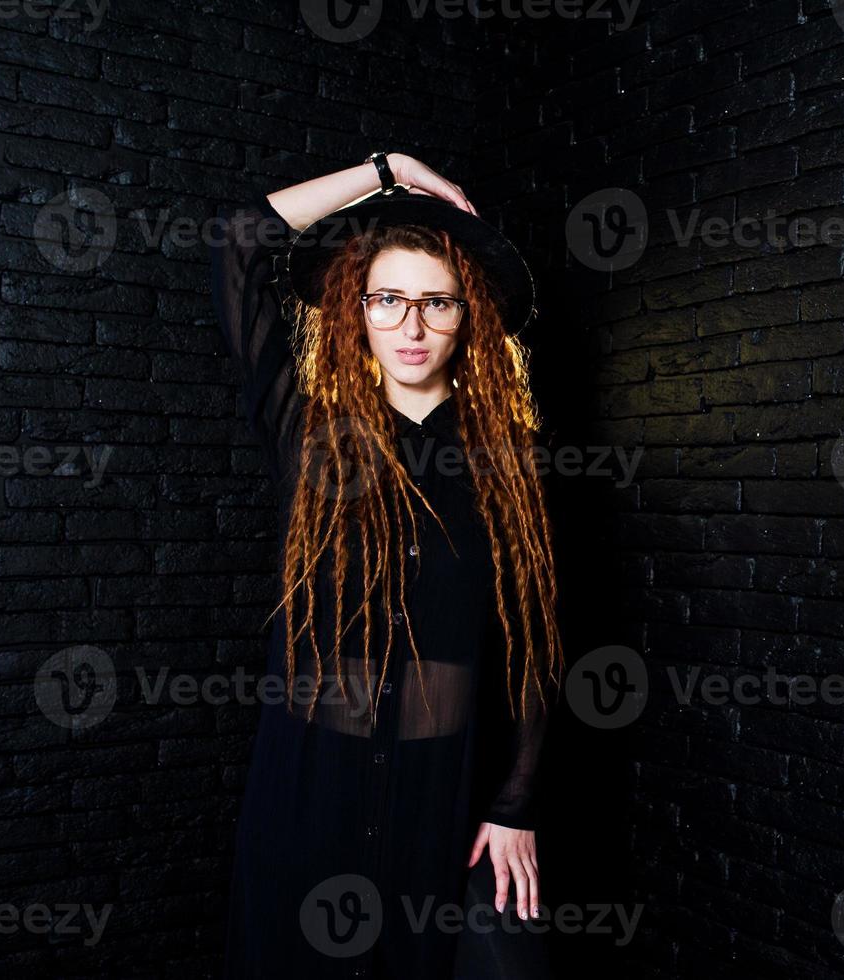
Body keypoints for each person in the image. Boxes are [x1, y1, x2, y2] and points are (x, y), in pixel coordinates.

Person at [209, 151, 562, 978]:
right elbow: (236, 240)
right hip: (307, 787)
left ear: (467, 314)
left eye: (436, 302)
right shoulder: (308, 436)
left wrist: (515, 806)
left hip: (441, 790)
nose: (411, 326)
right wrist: (387, 168)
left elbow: (536, 646)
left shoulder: (513, 462)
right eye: (388, 299)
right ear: (357, 311)